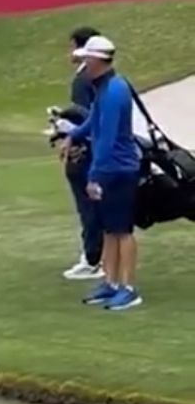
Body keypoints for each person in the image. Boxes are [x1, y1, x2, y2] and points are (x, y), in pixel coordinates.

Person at [62, 35, 143, 310]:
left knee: (122, 231)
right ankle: (110, 283)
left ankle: (128, 288)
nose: (83, 64)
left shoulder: (112, 92)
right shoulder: (107, 88)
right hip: (112, 168)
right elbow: (92, 122)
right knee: (110, 229)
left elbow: (106, 139)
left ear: (97, 61)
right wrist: (73, 134)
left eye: (86, 59)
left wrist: (94, 176)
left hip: (118, 170)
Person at [61, 26, 106, 280]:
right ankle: (96, 255)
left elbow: (85, 116)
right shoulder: (100, 78)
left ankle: (92, 259)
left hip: (85, 151)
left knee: (87, 205)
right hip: (94, 147)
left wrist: (67, 129)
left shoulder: (83, 80)